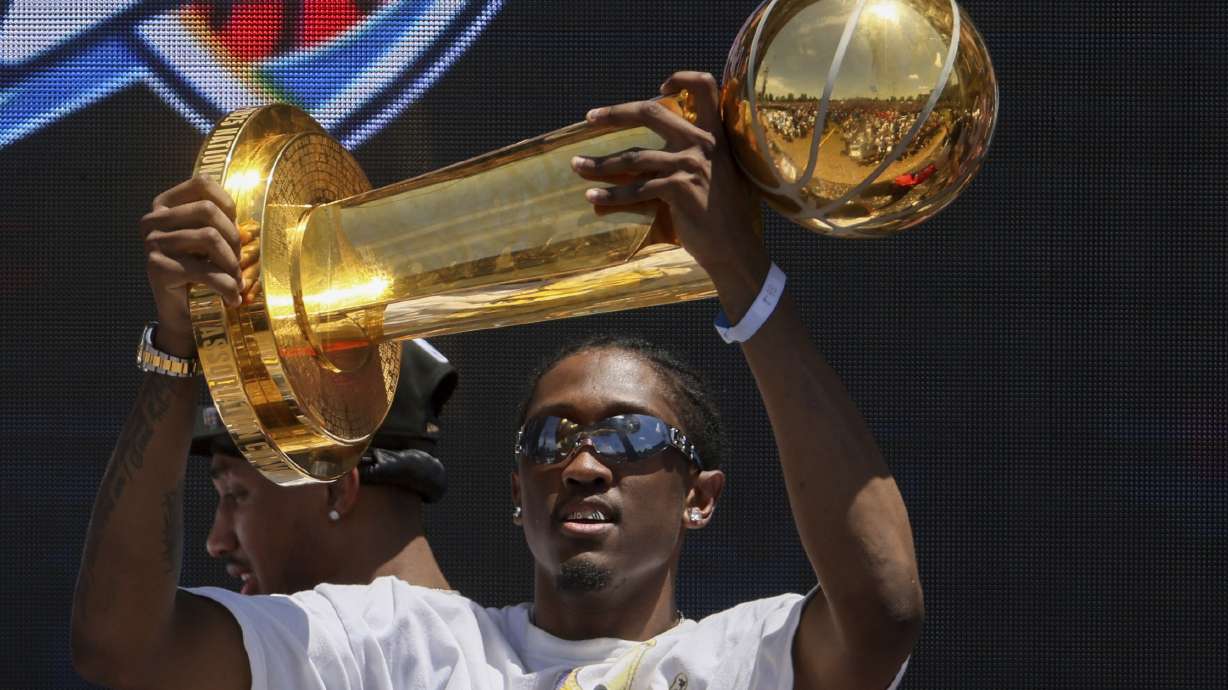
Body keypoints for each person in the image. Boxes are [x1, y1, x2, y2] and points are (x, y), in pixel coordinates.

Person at [71, 71, 922, 690]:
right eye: (550, 440)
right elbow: (121, 648)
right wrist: (183, 347)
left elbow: (882, 613)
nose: (583, 464)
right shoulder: (407, 648)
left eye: (628, 437)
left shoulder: (745, 658)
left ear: (699, 496)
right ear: (517, 491)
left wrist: (745, 282)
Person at [196, 337, 457, 595]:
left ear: (337, 489)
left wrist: (168, 348)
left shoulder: (297, 632)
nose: (216, 542)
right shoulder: (486, 631)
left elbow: (158, 626)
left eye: (238, 493)